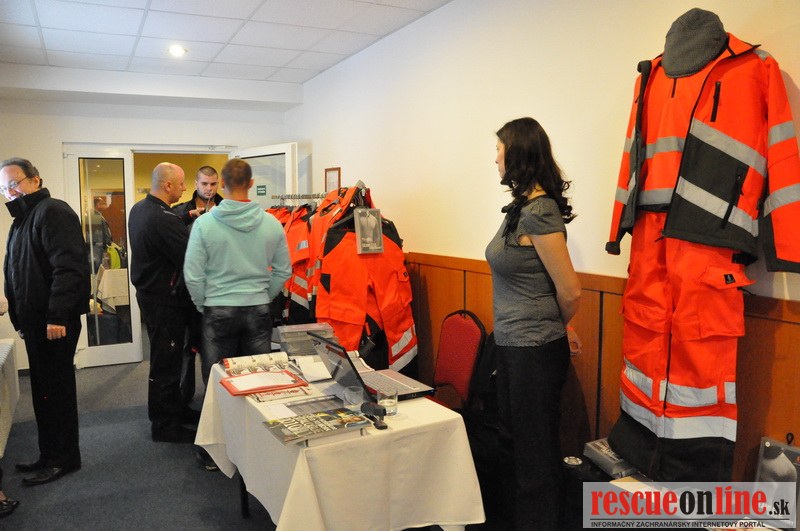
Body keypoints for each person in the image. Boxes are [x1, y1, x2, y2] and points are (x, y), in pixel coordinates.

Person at [484, 118, 582, 530]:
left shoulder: (540, 211)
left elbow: (570, 291)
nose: (495, 158)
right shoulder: (520, 211)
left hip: (535, 352)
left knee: (535, 458)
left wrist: (554, 328)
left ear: (518, 153)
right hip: (512, 346)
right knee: (514, 448)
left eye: (499, 149)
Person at [0, 158, 90, 486]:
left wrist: (57, 315)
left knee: (56, 391)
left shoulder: (52, 211)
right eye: (4, 188)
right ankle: (48, 454)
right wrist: (20, 318)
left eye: (15, 183)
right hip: (36, 322)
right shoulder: (23, 220)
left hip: (54, 323)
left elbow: (69, 268)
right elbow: (18, 272)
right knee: (44, 392)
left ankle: (63, 459)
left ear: (36, 180)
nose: (10, 192)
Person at [184, 158, 291, 384]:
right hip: (258, 308)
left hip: (218, 307)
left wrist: (204, 304)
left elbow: (193, 275)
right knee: (257, 380)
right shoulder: (272, 223)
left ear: (222, 183)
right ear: (251, 183)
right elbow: (283, 271)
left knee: (219, 383)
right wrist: (264, 296)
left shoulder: (204, 224)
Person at [129, 162, 197, 443]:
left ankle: (175, 411)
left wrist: (186, 217)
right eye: (181, 183)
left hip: (150, 295)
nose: (185, 188)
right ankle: (165, 425)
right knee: (166, 363)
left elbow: (164, 229)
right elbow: (190, 257)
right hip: (164, 301)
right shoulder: (163, 219)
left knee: (164, 359)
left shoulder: (140, 209)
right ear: (168, 185)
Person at [171, 167, 223, 408]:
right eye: (204, 184)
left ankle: (216, 402)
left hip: (218, 290)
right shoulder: (180, 211)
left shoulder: (226, 210)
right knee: (185, 348)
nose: (209, 189)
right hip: (186, 290)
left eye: (213, 184)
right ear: (196, 183)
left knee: (213, 349)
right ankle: (183, 401)